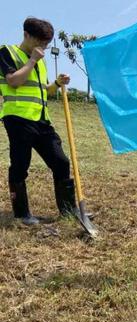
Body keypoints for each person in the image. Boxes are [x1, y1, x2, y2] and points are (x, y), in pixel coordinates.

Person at [0, 17, 76, 225]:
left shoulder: (40, 62)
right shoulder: (7, 52)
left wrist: (57, 84)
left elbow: (42, 91)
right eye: (40, 42)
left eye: (46, 43)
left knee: (61, 162)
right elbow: (14, 81)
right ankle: (22, 215)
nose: (43, 47)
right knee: (20, 166)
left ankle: (69, 211)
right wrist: (32, 60)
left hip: (42, 120)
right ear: (26, 35)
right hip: (18, 118)